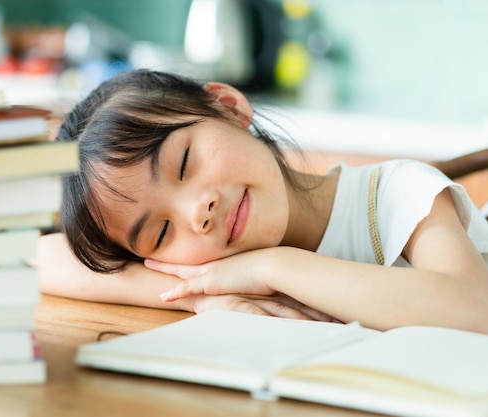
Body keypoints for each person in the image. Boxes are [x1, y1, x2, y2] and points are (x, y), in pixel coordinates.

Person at [37, 69, 488, 333]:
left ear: (229, 107)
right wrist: (196, 297)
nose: (197, 212)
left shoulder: (395, 194)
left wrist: (272, 267)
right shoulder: (221, 270)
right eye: (160, 232)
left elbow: (473, 309)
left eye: (184, 163)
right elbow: (36, 257)